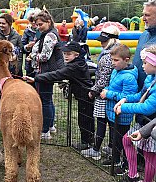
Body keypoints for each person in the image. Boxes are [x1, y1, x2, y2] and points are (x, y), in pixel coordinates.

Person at [24, 41, 94, 144]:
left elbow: (57, 74)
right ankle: (87, 141)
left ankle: (87, 143)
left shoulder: (73, 67)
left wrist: (36, 78)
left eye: (69, 54)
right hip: (83, 95)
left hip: (84, 95)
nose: (65, 56)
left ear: (77, 55)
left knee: (85, 120)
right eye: (64, 53)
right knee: (85, 118)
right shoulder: (78, 62)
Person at [82, 44, 138, 165]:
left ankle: (120, 162)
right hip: (112, 113)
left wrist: (108, 94)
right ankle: (115, 158)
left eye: (116, 60)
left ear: (126, 60)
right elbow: (112, 85)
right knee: (115, 138)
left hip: (122, 115)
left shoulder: (129, 77)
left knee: (120, 140)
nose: (113, 63)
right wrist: (105, 90)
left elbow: (126, 97)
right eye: (112, 59)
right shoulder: (116, 71)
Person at [115, 45, 156, 182]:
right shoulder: (150, 79)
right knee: (127, 140)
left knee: (149, 155)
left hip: (152, 125)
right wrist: (125, 99)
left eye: (145, 63)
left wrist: (124, 108)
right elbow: (140, 95)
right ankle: (133, 176)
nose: (142, 66)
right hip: (143, 122)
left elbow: (148, 107)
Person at [82, 25, 120, 157]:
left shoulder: (107, 56)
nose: (101, 42)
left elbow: (103, 79)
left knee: (101, 122)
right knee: (111, 123)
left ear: (111, 40)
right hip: (111, 94)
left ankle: (96, 149)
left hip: (103, 95)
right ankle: (110, 147)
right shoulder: (115, 53)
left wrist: (93, 91)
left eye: (104, 40)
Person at [27, 10, 64, 139]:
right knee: (47, 100)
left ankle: (45, 130)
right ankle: (50, 125)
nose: (38, 27)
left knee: (44, 101)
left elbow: (44, 56)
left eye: (40, 24)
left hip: (45, 72)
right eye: (36, 25)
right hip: (46, 71)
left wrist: (31, 56)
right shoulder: (47, 34)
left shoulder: (50, 36)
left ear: (49, 22)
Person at [0, 13, 23, 126]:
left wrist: (17, 61)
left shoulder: (16, 36)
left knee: (14, 93)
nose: (1, 25)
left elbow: (20, 51)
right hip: (0, 70)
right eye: (0, 23)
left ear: (9, 24)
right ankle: (0, 117)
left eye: (3, 23)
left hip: (13, 69)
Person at [132, 0, 156, 90]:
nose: (143, 18)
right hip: (137, 91)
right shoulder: (144, 35)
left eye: (147, 15)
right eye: (143, 14)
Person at [22, 12, 40, 76]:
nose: (33, 22)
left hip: (40, 63)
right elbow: (22, 46)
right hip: (30, 62)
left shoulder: (43, 31)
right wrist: (27, 47)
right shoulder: (27, 31)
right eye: (31, 20)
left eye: (35, 20)